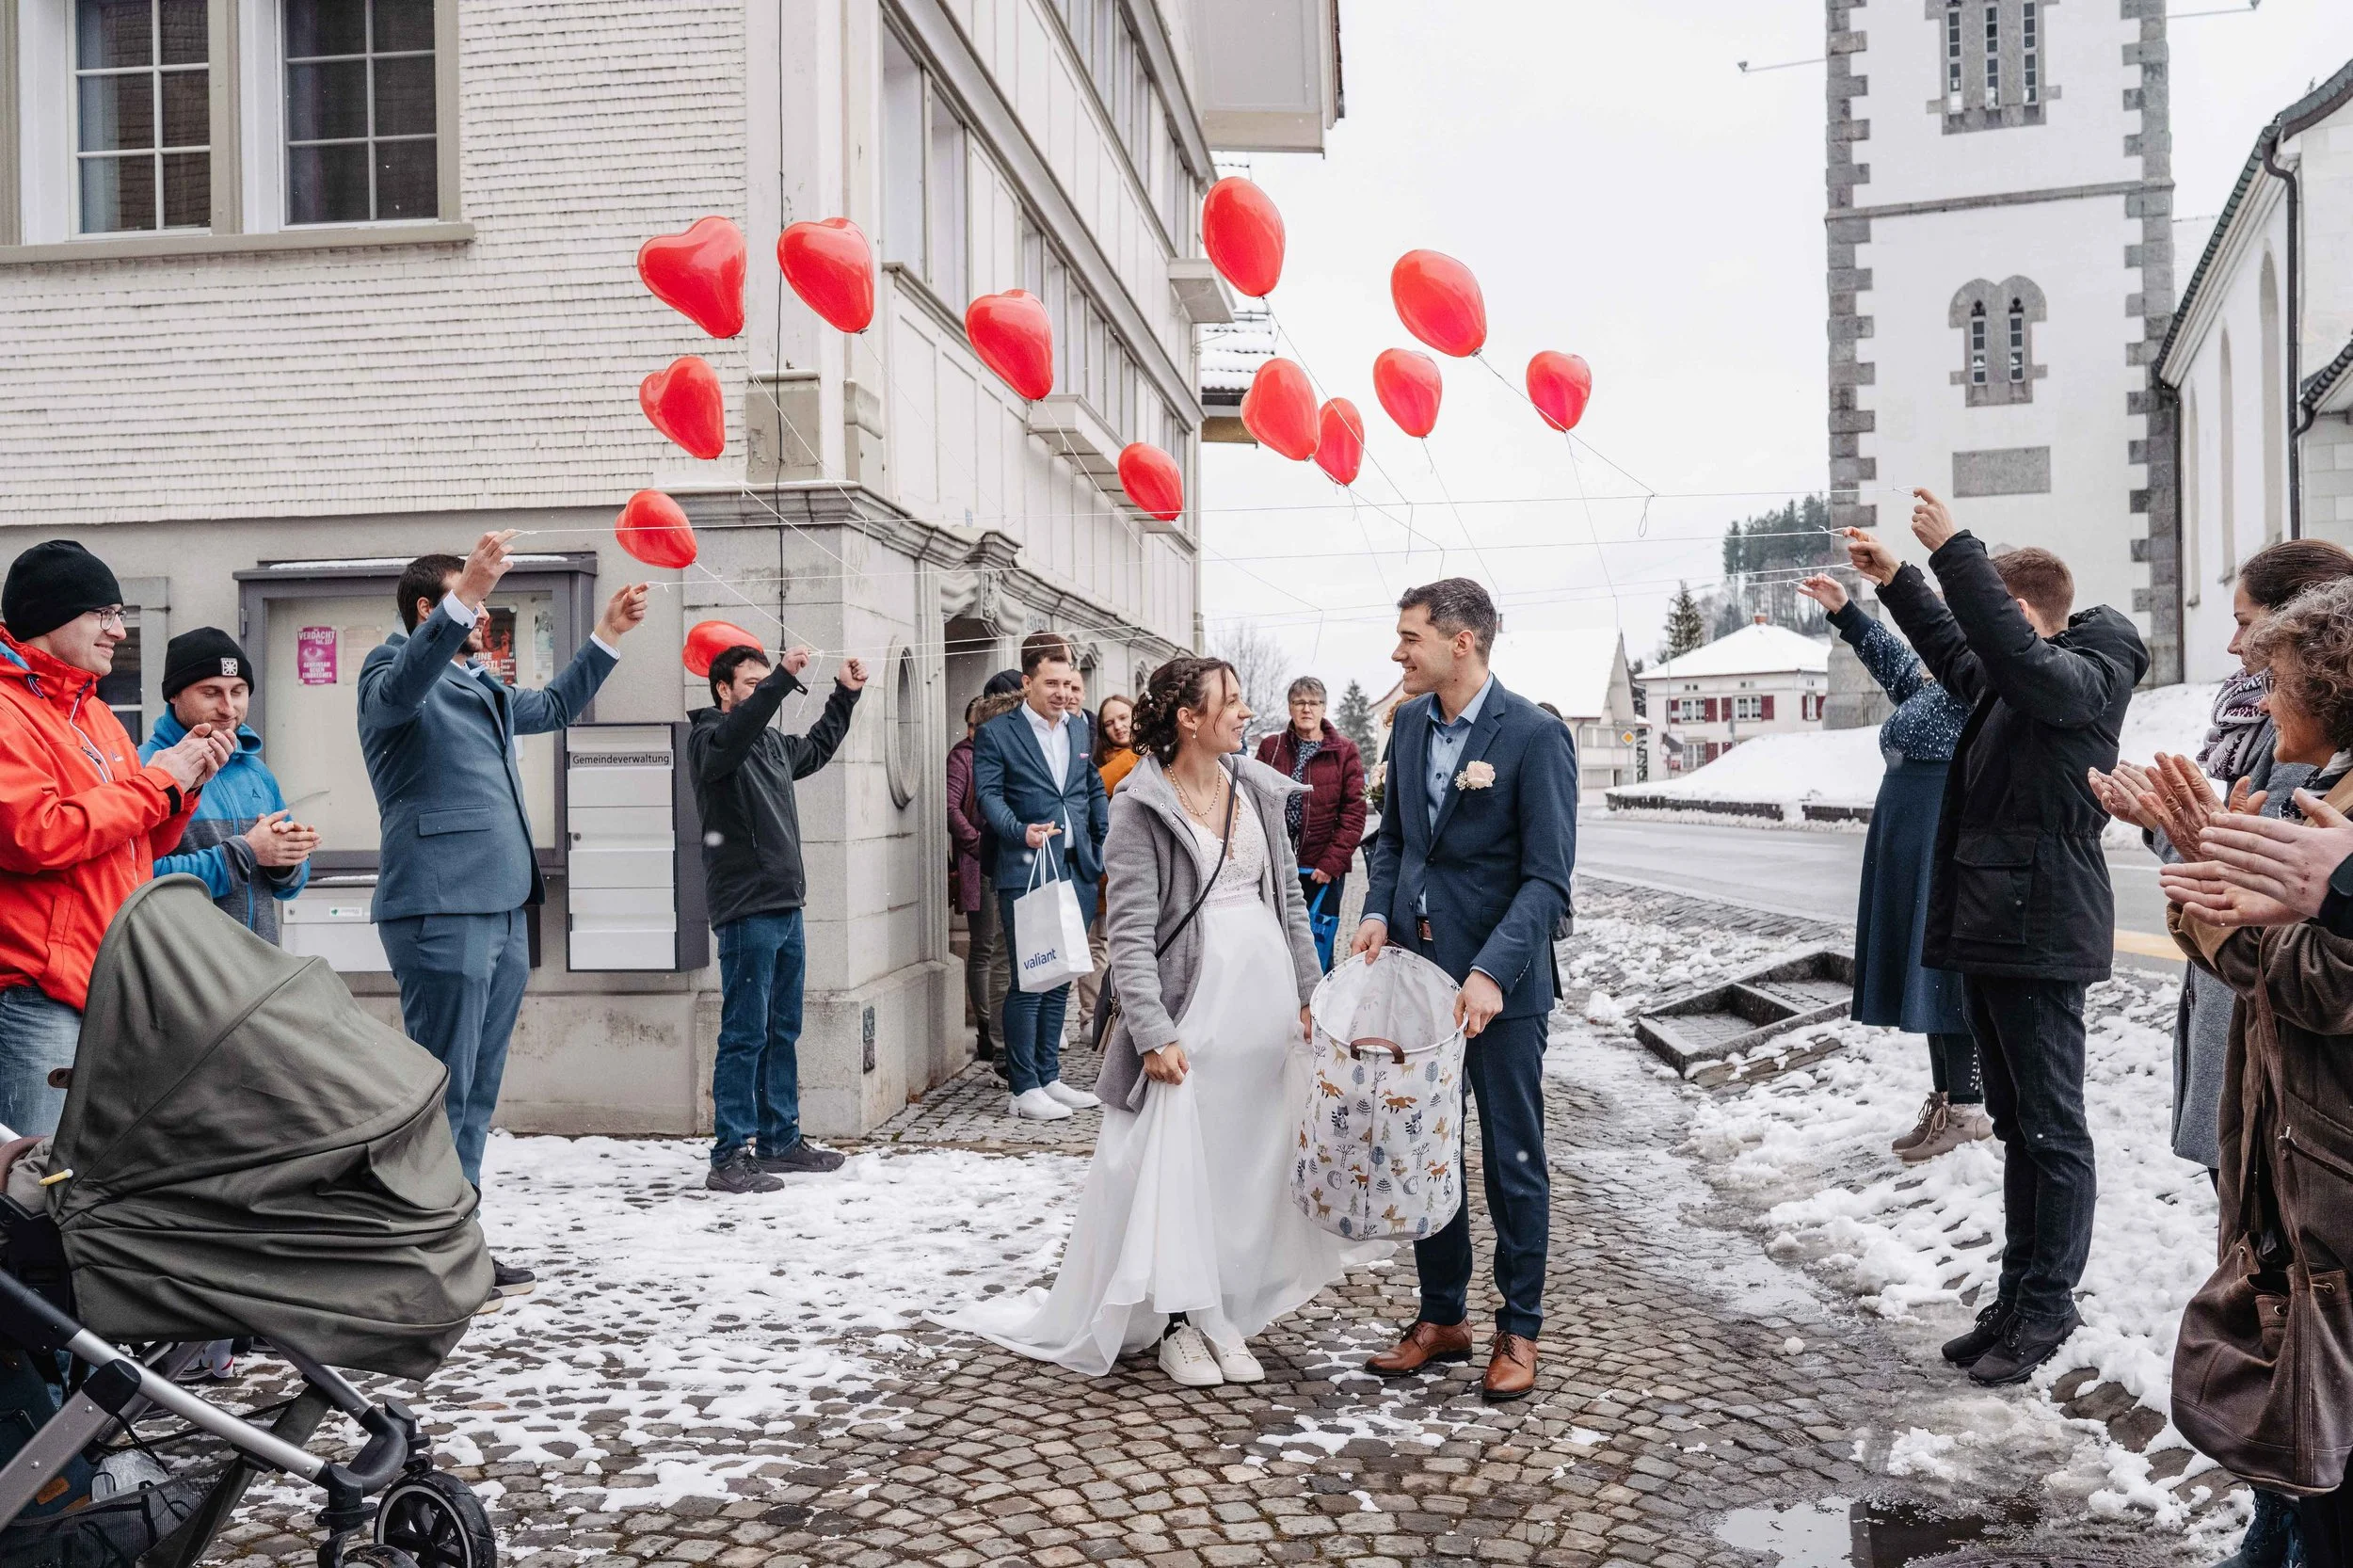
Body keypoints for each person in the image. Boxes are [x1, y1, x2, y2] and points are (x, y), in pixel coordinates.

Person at [939, 655, 1383, 1383]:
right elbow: (1135, 933)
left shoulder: (1258, 789)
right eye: (1230, 701)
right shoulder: (1140, 805)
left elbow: (1290, 905)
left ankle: (1225, 1310)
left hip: (1264, 1002)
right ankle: (1179, 1318)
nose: (1244, 713)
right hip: (1192, 1005)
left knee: (1248, 1160)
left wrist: (1312, 993)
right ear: (1188, 718)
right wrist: (1152, 1031)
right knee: (1184, 1163)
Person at [1841, 489, 2147, 1386]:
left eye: (1996, 618)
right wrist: (1900, 582)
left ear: (2020, 616)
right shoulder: (2015, 685)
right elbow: (1954, 650)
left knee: (2053, 1131)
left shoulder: (2085, 678)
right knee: (2017, 1126)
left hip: (2043, 929)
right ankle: (2016, 1296)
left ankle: (2049, 1306)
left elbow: (2009, 656)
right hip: (1993, 929)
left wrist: (1955, 552)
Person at [360, 532, 647, 1304]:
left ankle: (459, 1242)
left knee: (478, 1092)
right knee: (442, 1090)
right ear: (431, 609)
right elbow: (403, 688)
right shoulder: (392, 671)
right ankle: (424, 1253)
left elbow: (551, 705)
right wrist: (464, 598)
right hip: (441, 902)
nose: (487, 620)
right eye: (474, 605)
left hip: (505, 904)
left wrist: (606, 636)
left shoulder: (477, 684)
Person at [2151, 581, 2353, 1568]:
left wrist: (2215, 898)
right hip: (2298, 1167)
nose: (2261, 696)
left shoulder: (2333, 804)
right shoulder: (2329, 789)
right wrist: (2208, 873)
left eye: (2275, 677)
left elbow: (2319, 981)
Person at [1352, 578, 1578, 1403]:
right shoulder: (1407, 724)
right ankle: (1443, 1317)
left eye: (1409, 637)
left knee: (1513, 1158)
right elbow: (1397, 840)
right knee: (1424, 1154)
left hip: (1504, 991)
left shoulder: (1536, 736)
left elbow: (1547, 881)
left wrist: (1490, 971)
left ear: (1462, 642)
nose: (1397, 652)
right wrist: (1379, 910)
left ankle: (1520, 1328)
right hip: (1415, 981)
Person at [2089, 540, 2353, 1180]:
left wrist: (2199, 861)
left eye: (2244, 621)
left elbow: (2312, 966)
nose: (2237, 648)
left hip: (2304, 1110)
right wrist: (2191, 838)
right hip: (2279, 1085)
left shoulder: (2309, 749)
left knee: (2267, 1233)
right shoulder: (2290, 736)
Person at [0, 541, 225, 1136]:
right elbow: (34, 834)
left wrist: (186, 784)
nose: (119, 632)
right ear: (54, 616)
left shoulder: (93, 714)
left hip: (106, 986)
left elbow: (136, 846)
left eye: (121, 615)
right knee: (30, 1191)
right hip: (34, 996)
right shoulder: (5, 710)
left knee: (86, 1185)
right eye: (106, 614)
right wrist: (161, 781)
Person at [1797, 575, 1985, 1162]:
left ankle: (1969, 1109)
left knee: (1944, 974)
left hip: (1937, 834)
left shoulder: (1979, 677)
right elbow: (1897, 665)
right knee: (1922, 971)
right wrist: (1847, 613)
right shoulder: (1935, 680)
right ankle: (1947, 1098)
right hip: (1909, 837)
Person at [690, 642, 865, 1194]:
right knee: (744, 1032)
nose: (761, 690)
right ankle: (729, 1154)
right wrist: (783, 680)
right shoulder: (710, 740)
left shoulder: (768, 741)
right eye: (751, 682)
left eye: (764, 682)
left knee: (782, 1028)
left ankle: (779, 1140)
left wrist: (845, 695)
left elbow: (813, 749)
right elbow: (736, 732)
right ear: (724, 689)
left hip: (786, 904)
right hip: (746, 907)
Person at [972, 632, 1109, 1121]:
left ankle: (1049, 1076)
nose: (1060, 691)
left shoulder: (1077, 729)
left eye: (1066, 681)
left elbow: (1088, 782)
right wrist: (1019, 831)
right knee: (1031, 978)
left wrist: (1101, 832)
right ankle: (1022, 1087)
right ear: (1027, 681)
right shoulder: (998, 732)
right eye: (1050, 682)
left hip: (1076, 867)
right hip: (1026, 868)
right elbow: (987, 796)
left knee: (1062, 974)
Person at [139, 629, 320, 943]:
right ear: (174, 694)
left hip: (260, 967)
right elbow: (139, 877)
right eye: (211, 693)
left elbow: (290, 886)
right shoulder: (143, 767)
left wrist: (286, 859)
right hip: (184, 970)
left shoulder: (257, 772)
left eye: (237, 692)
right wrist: (245, 853)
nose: (228, 708)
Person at [1256, 677, 1368, 972]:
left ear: (1324, 708)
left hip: (1323, 869)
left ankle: (1318, 1011)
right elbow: (1254, 801)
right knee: (1277, 944)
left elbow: (1354, 813)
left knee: (1320, 942)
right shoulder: (1272, 747)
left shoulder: (1344, 751)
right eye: (1300, 702)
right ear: (1290, 707)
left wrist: (1331, 864)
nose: (1307, 708)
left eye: (1314, 702)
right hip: (1279, 866)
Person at [1072, 695, 1141, 1039]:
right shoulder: (1108, 761)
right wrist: (1136, 753)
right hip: (1101, 867)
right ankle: (1091, 1018)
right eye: (1110, 721)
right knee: (1095, 945)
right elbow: (1099, 784)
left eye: (1124, 717)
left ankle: (1128, 1016)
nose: (1119, 726)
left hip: (1134, 866)